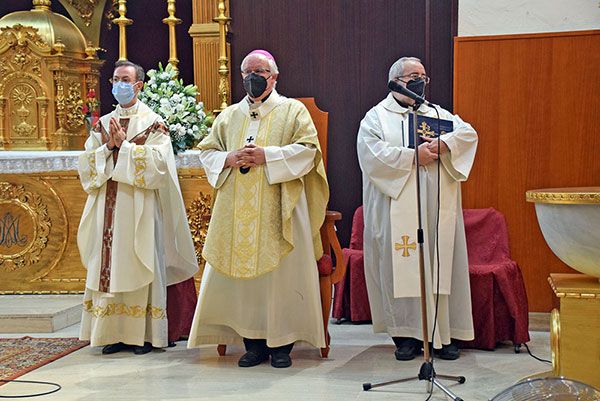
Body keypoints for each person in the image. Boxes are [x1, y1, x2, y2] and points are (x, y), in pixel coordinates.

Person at [187, 50, 329, 369]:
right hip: (236, 210)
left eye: (260, 70)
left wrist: (270, 156)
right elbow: (207, 152)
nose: (254, 76)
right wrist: (228, 158)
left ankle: (282, 345)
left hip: (281, 207)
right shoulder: (229, 116)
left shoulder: (293, 111)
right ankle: (253, 344)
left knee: (281, 278)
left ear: (274, 76)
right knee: (246, 285)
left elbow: (309, 152)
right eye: (248, 71)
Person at [357, 56, 478, 361]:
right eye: (413, 76)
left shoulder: (437, 113)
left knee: (439, 265)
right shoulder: (375, 118)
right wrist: (413, 156)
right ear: (395, 81)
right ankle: (406, 336)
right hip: (397, 206)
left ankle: (445, 334)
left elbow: (468, 135)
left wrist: (444, 145)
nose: (420, 82)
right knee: (401, 266)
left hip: (436, 210)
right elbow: (372, 155)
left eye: (423, 76)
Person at [77, 60, 198, 355]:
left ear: (138, 86)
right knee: (108, 264)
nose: (120, 84)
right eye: (116, 79)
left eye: (125, 79)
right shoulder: (102, 124)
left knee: (139, 259)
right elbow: (86, 165)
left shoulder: (153, 122)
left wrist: (126, 148)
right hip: (108, 205)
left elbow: (160, 167)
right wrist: (108, 148)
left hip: (139, 206)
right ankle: (112, 334)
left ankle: (143, 335)